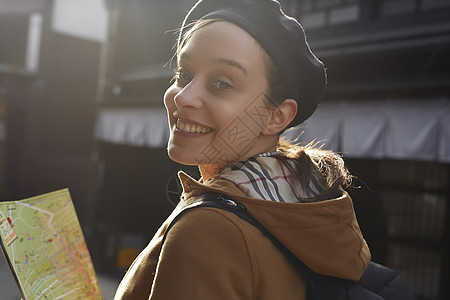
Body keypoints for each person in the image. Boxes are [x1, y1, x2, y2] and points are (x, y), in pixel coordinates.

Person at [114, 0, 371, 299]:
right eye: (183, 74)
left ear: (277, 116)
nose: (183, 97)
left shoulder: (208, 229)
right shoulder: (307, 209)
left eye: (222, 83)